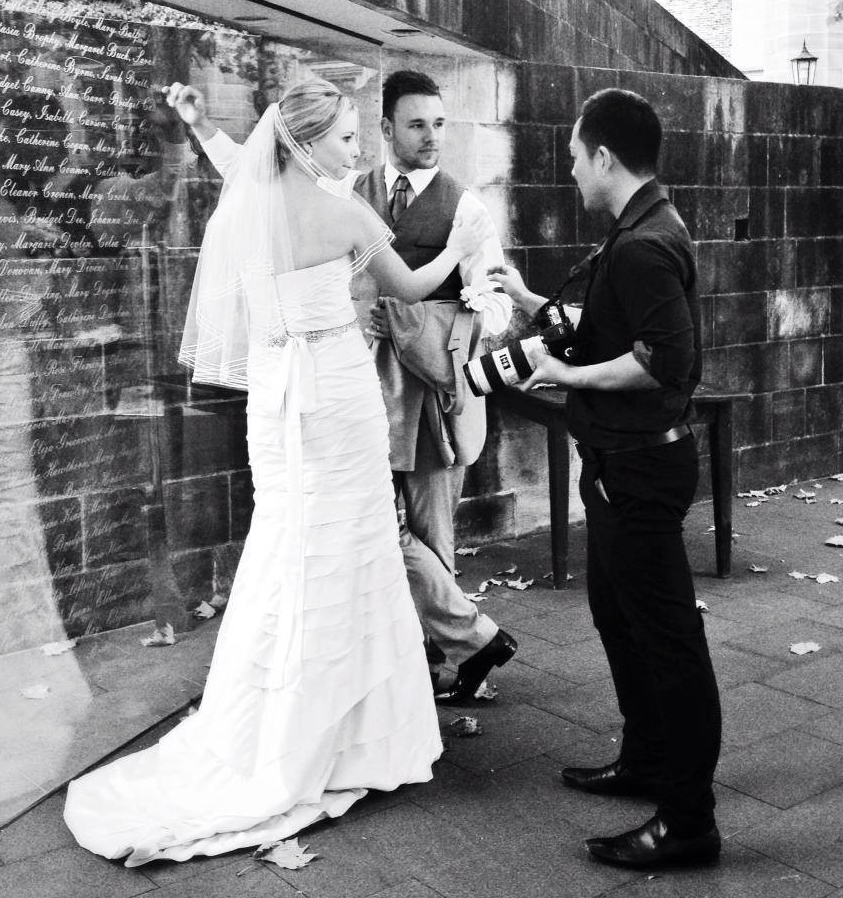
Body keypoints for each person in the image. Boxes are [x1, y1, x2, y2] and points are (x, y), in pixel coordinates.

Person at [63, 78, 492, 865]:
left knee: (290, 543)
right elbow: (411, 285)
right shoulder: (345, 211)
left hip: (276, 406)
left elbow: (237, 164)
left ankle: (274, 719)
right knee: (351, 546)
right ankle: (348, 737)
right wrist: (462, 251)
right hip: (333, 395)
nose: (356, 148)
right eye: (343, 137)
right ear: (302, 143)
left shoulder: (253, 202)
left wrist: (200, 127)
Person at [491, 88, 722, 868]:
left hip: (641, 466)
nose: (569, 175)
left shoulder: (642, 244)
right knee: (618, 616)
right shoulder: (641, 227)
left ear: (604, 157)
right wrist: (531, 302)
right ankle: (647, 758)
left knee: (668, 640)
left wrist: (563, 372)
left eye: (573, 160)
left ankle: (689, 821)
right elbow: (620, 324)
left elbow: (666, 359)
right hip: (621, 463)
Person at [361, 70, 517, 704]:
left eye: (440, 123)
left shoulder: (467, 207)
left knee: (430, 534)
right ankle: (437, 650)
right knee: (373, 530)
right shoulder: (352, 191)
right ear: (387, 129)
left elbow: (500, 306)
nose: (432, 138)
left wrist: (419, 320)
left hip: (435, 398)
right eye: (418, 124)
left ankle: (445, 668)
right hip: (362, 393)